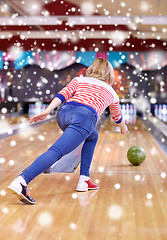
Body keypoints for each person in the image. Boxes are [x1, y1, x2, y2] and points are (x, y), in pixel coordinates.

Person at [8, 57, 128, 204]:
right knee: (56, 152)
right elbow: (116, 116)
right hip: (84, 119)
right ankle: (21, 181)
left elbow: (62, 95)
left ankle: (84, 179)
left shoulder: (79, 80)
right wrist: (123, 126)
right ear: (109, 74)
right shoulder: (111, 92)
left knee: (92, 136)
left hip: (64, 114)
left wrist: (46, 111)